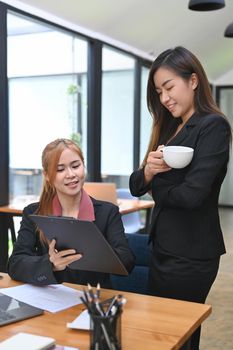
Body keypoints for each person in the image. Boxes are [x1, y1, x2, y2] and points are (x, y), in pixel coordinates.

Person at [129, 46, 232, 350]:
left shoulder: (213, 125)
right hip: (165, 247)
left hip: (191, 254)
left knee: (176, 336)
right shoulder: (170, 127)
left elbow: (193, 195)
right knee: (167, 335)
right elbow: (136, 184)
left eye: (169, 87)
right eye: (159, 91)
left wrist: (156, 187)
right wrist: (148, 171)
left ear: (194, 80)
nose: (164, 98)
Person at [8, 138, 135, 288]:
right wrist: (51, 264)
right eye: (60, 169)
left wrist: (98, 249)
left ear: (83, 166)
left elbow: (127, 262)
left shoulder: (108, 212)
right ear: (47, 175)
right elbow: (15, 264)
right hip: (51, 300)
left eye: (75, 166)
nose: (71, 174)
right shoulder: (34, 212)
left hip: (92, 301)